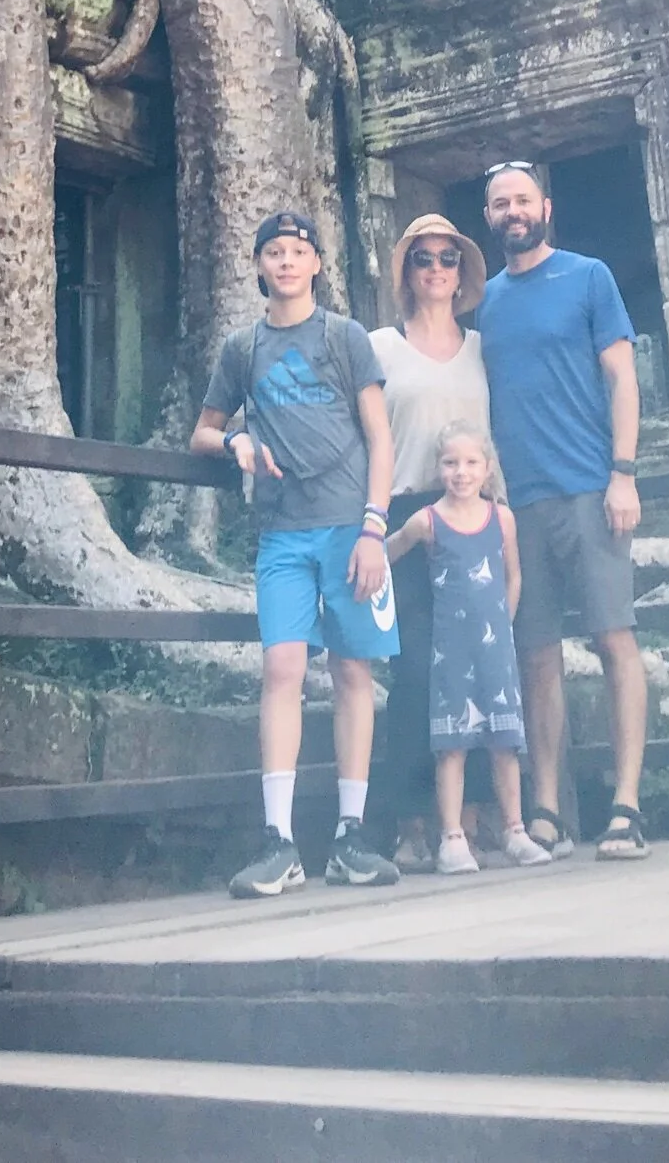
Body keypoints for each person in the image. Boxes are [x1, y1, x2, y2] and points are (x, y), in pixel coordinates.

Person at [193, 208, 402, 898]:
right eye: (273, 252)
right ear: (257, 266)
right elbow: (202, 430)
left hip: (349, 527)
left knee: (351, 671)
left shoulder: (344, 339)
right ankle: (277, 839)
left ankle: (350, 833)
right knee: (281, 664)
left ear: (316, 264)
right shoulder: (241, 348)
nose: (285, 262)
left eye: (297, 251)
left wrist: (375, 528)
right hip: (281, 531)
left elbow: (380, 437)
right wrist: (236, 443)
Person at [477, 161, 648, 861]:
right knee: (535, 655)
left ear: (544, 206)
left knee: (613, 640)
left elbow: (622, 377)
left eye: (521, 199)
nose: (512, 212)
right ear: (487, 217)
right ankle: (546, 809)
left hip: (587, 485)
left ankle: (626, 805)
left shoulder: (587, 277)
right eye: (498, 204)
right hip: (518, 502)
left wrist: (623, 473)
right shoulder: (481, 302)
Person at [367, 213, 490, 868]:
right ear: (406, 272)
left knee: (470, 671)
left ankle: (468, 818)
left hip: (475, 516)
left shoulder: (482, 349)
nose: (436, 268)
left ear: (461, 271)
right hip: (408, 515)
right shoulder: (379, 348)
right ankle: (410, 822)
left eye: (447, 257)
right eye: (423, 258)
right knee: (412, 672)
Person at [386, 421, 552, 874]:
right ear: (438, 468)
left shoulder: (502, 518)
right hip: (449, 649)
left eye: (471, 463)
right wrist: (384, 545)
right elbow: (387, 552)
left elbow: (513, 573)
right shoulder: (428, 521)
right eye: (451, 463)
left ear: (487, 468)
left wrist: (504, 617)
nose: (461, 472)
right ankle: (452, 837)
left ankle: (515, 829)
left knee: (503, 740)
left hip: (494, 647)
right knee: (451, 743)